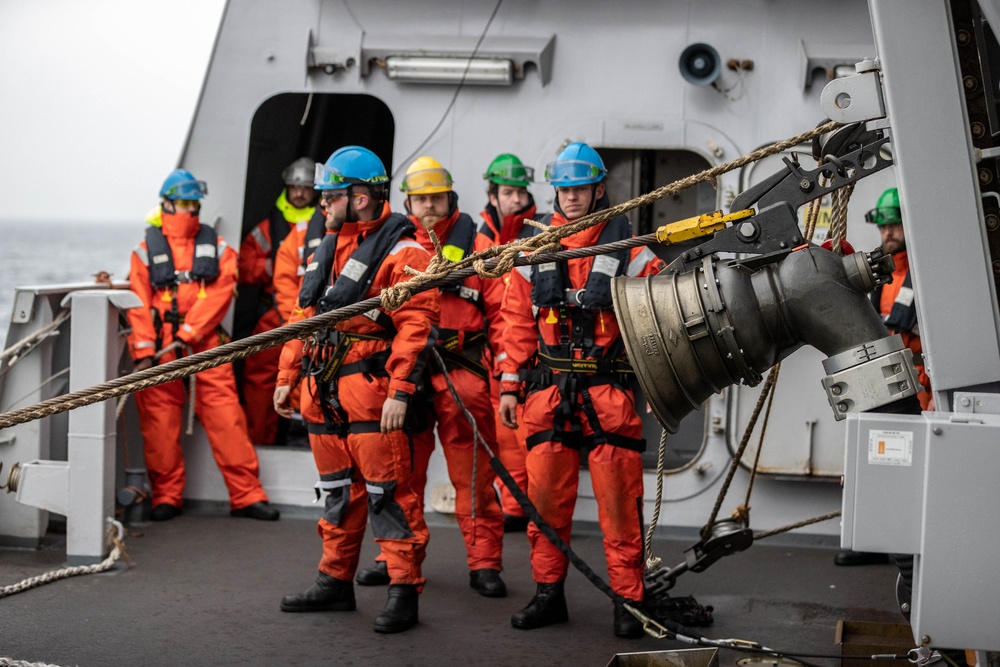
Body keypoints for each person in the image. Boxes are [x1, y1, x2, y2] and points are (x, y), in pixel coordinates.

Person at [497, 142, 664, 638]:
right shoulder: (532, 253)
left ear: (597, 190)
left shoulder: (633, 254)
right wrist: (509, 386)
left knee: (619, 506)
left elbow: (655, 319)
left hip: (608, 392)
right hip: (547, 395)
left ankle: (629, 603)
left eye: (579, 189)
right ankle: (549, 595)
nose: (571, 198)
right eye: (564, 190)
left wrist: (655, 380)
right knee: (545, 504)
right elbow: (515, 326)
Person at [276, 146, 439, 634]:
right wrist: (287, 376)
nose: (322, 205)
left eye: (330, 197)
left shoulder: (406, 253)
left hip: (371, 391)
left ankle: (403, 590)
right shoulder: (326, 249)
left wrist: (400, 391)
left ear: (361, 198)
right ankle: (334, 581)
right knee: (336, 493)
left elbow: (417, 326)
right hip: (322, 390)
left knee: (389, 494)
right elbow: (304, 316)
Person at [126, 169, 279, 522]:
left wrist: (189, 333)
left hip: (207, 348)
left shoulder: (220, 249)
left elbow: (221, 294)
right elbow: (138, 301)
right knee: (160, 427)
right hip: (161, 351)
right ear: (166, 205)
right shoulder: (145, 251)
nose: (191, 211)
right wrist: (146, 352)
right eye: (183, 204)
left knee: (228, 420)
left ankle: (247, 496)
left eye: (194, 204)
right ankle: (166, 496)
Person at [400, 155, 507, 597]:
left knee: (475, 474)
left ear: (450, 198)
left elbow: (502, 313)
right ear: (408, 201)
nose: (429, 206)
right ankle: (397, 560)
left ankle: (484, 564)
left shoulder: (478, 242)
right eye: (421, 199)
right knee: (401, 475)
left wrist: (506, 378)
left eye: (436, 198)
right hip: (407, 375)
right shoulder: (395, 245)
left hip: (462, 370)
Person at [834, 186, 931, 567]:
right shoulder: (879, 276)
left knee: (908, 468)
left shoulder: (926, 275)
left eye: (895, 225)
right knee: (875, 461)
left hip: (920, 386)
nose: (887, 233)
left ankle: (908, 546)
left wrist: (937, 393)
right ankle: (875, 538)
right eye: (883, 227)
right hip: (881, 383)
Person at [238, 157, 317, 445]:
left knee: (313, 379)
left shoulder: (327, 224)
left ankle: (306, 444)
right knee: (260, 381)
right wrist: (270, 266)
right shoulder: (268, 226)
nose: (299, 193)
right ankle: (260, 442)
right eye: (295, 186)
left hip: (315, 317)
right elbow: (244, 268)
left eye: (306, 188)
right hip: (273, 315)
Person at [477, 153, 538, 533]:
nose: (516, 199)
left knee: (522, 434)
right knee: (499, 435)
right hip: (486, 353)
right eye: (508, 192)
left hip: (525, 351)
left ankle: (524, 507)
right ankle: (512, 504)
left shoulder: (538, 233)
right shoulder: (478, 239)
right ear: (493, 194)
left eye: (520, 192)